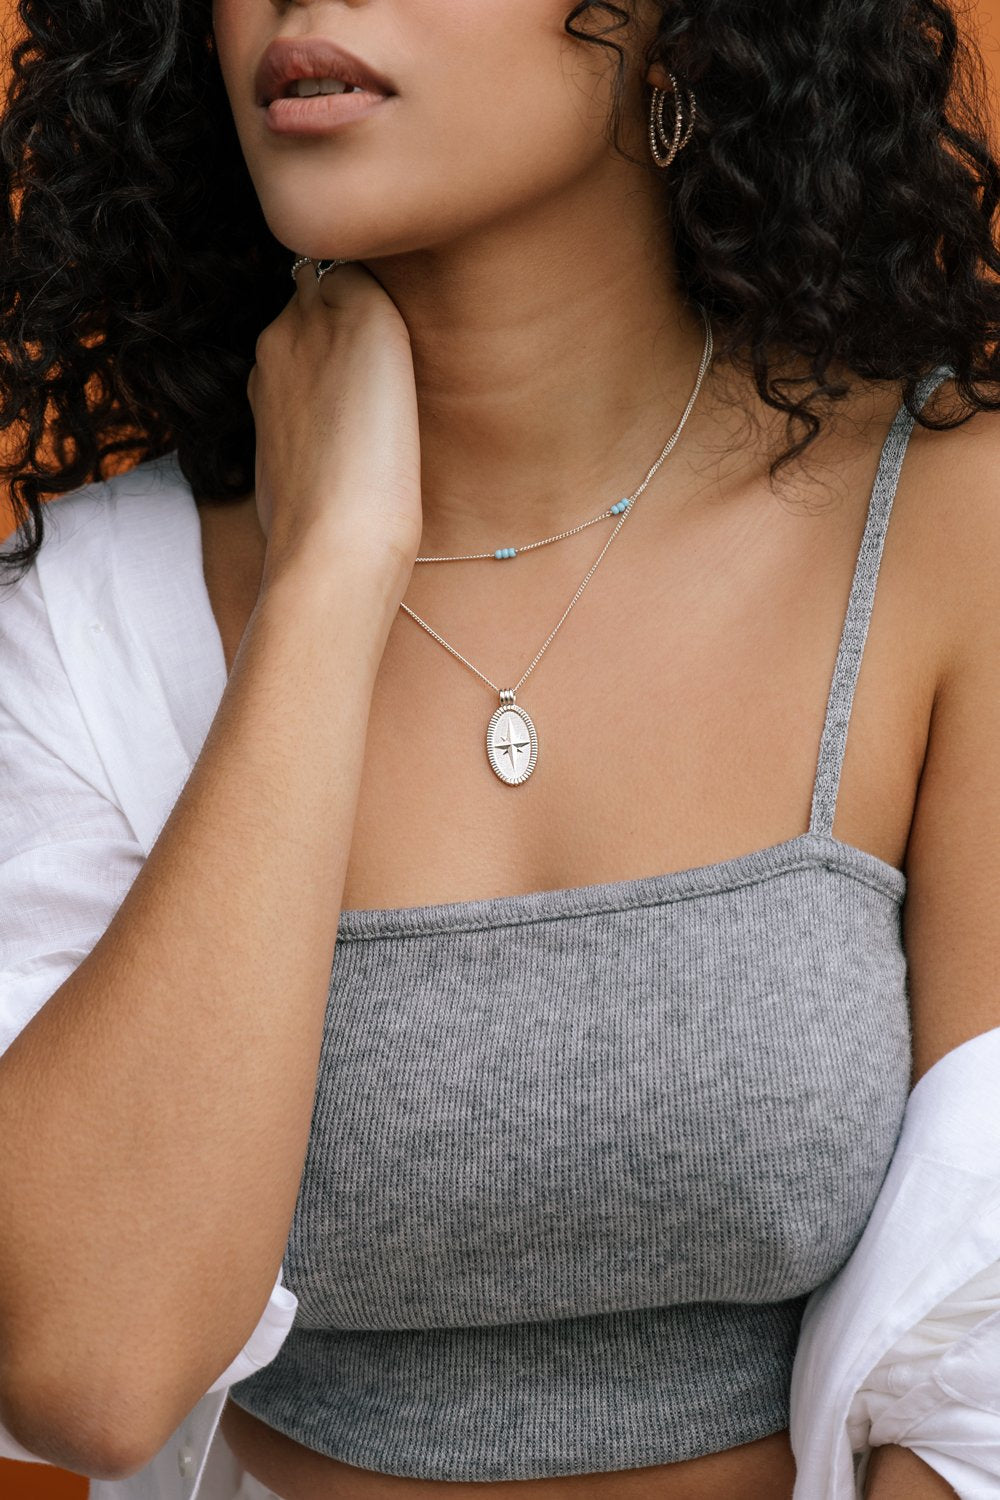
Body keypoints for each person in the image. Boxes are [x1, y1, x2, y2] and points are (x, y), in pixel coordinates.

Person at [0, 1, 999, 1497]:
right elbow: (86, 1357)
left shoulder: (949, 524)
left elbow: (980, 1354)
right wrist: (330, 578)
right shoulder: (84, 616)